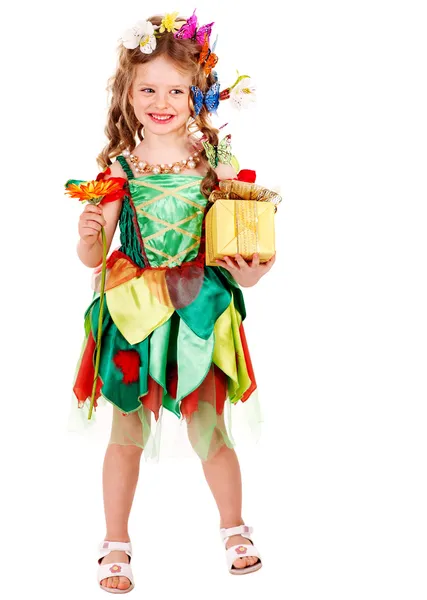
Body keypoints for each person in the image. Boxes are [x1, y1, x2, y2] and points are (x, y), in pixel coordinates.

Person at [70, 10, 276, 593]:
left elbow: (243, 242)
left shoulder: (217, 165)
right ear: (127, 93)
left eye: (177, 90)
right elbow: (92, 255)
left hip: (196, 313)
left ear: (198, 94)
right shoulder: (121, 169)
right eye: (149, 88)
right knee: (126, 430)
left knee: (211, 428)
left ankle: (235, 528)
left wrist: (252, 275)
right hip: (135, 313)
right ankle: (115, 542)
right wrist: (89, 236)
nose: (162, 100)